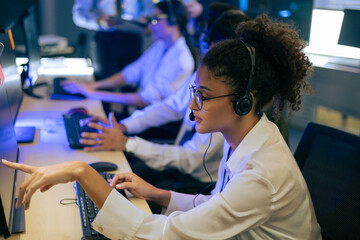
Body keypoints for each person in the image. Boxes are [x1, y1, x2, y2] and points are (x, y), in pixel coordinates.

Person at [2, 14, 321, 239]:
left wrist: (81, 172)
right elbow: (220, 204)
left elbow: (160, 235)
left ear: (244, 102)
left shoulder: (261, 175)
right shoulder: (247, 138)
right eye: (194, 92)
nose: (193, 105)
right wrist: (158, 193)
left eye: (204, 96)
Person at [78, 5, 250, 200]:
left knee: (114, 193)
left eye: (205, 39)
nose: (192, 106)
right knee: (102, 181)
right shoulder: (204, 75)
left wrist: (129, 144)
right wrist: (125, 126)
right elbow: (171, 106)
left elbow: (192, 159)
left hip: (193, 182)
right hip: (176, 165)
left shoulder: (228, 100)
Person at [65, 0, 195, 110]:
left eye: (155, 20)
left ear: (173, 21)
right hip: (107, 36)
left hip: (153, 122)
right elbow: (130, 74)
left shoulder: (180, 59)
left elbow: (142, 100)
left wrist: (94, 93)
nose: (150, 25)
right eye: (150, 20)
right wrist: (93, 87)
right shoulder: (159, 47)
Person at [72, 0, 153, 80]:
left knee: (132, 79)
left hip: (133, 34)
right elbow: (79, 14)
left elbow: (149, 5)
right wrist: (99, 21)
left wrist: (146, 18)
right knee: (104, 81)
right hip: (106, 36)